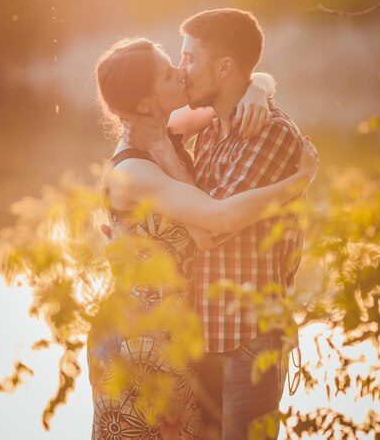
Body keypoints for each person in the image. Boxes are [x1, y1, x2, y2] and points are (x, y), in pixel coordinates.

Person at [87, 36, 318, 440]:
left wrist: (260, 88)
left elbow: (228, 96)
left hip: (176, 338)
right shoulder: (135, 171)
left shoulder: (166, 132)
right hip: (141, 346)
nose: (180, 70)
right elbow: (217, 219)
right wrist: (296, 182)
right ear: (145, 102)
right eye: (167, 72)